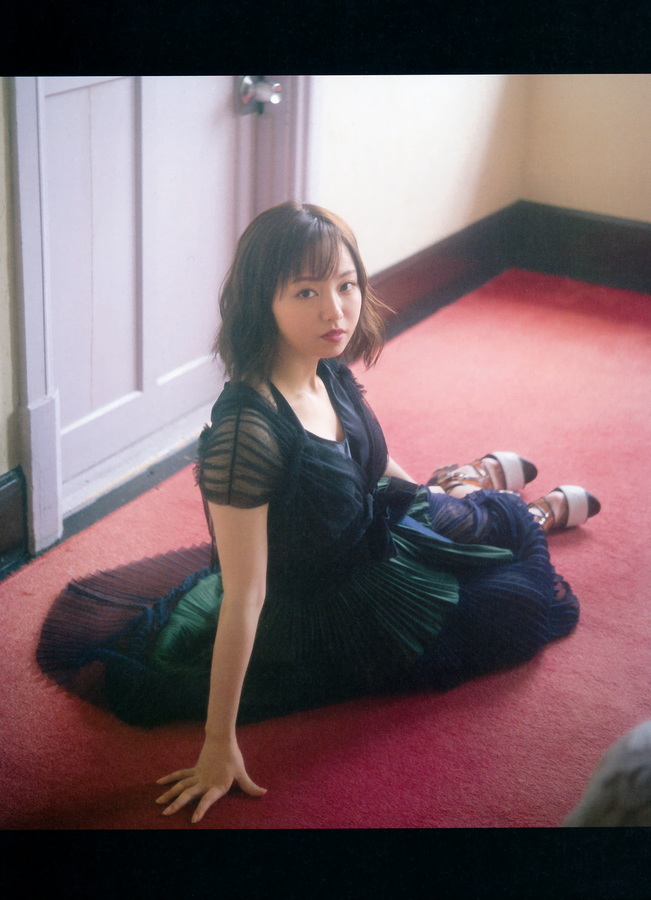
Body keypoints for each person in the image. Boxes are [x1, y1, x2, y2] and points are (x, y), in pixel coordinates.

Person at [37, 201, 601, 823]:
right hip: (325, 609)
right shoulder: (245, 434)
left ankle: (463, 486)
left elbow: (371, 462)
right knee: (511, 607)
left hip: (379, 532)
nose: (335, 311)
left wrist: (435, 506)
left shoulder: (324, 367)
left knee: (487, 526)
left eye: (346, 285)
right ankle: (518, 507)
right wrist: (218, 743)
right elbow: (245, 594)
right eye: (306, 291)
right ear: (263, 301)